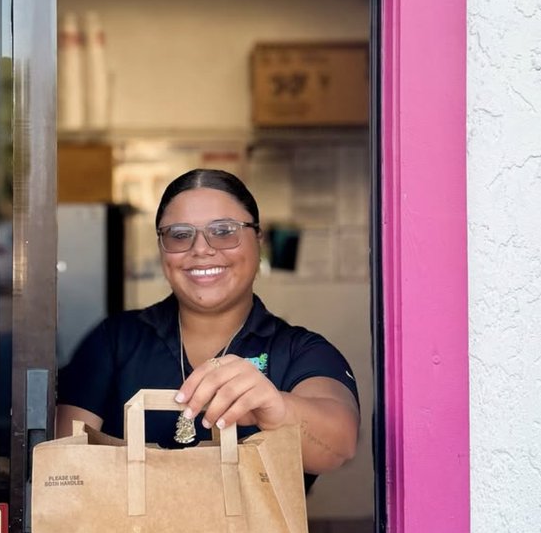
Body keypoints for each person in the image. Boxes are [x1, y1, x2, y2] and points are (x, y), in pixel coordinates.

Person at [57, 168, 360, 480]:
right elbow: (63, 468)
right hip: (121, 529)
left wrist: (279, 409)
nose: (201, 249)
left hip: (255, 532)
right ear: (163, 250)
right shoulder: (114, 340)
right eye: (179, 235)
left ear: (258, 240)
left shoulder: (300, 351)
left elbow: (340, 445)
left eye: (224, 231)